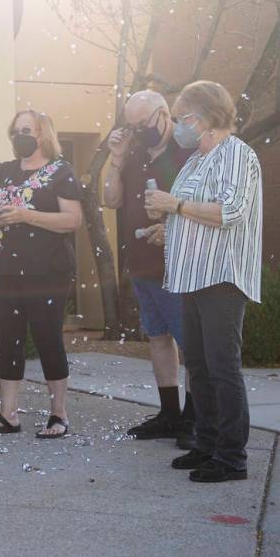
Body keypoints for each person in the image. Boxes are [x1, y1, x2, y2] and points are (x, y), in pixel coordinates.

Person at [145, 80, 262, 483]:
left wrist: (173, 205)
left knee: (222, 367)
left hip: (222, 278)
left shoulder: (237, 155)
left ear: (207, 117)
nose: (178, 125)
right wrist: (169, 227)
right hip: (191, 277)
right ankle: (207, 444)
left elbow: (229, 211)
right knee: (197, 364)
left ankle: (232, 457)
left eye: (182, 118)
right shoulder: (196, 160)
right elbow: (193, 214)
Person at [0, 110, 83, 439]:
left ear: (43, 134)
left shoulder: (60, 172)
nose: (21, 135)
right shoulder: (3, 172)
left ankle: (58, 414)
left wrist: (26, 215)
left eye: (28, 130)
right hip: (4, 269)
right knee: (7, 339)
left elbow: (72, 220)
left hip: (47, 270)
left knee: (48, 338)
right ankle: (8, 414)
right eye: (16, 130)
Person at [103, 90, 195, 448]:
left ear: (163, 114)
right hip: (141, 262)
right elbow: (110, 199)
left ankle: (195, 417)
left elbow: (202, 206)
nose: (139, 130)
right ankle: (170, 412)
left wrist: (171, 228)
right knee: (158, 337)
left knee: (191, 344)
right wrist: (115, 159)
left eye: (144, 123)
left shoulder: (187, 152)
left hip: (180, 265)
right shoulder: (134, 154)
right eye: (133, 125)